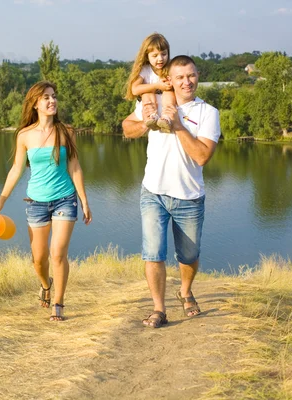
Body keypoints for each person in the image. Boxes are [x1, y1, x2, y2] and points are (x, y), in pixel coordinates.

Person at [122, 55, 221, 328]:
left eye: (190, 76)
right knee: (153, 252)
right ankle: (158, 309)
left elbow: (201, 156)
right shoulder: (153, 101)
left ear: (197, 76)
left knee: (188, 256)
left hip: (189, 196)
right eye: (180, 77)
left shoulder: (207, 113)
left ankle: (185, 291)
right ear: (170, 80)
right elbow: (126, 128)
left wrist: (177, 125)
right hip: (153, 192)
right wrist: (147, 123)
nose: (186, 82)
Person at [0, 81, 92, 322]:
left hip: (65, 200)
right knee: (38, 259)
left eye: (54, 96)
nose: (52, 101)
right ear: (35, 104)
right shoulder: (25, 135)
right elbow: (16, 169)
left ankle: (58, 302)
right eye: (46, 97)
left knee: (58, 253)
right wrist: (1, 202)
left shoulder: (66, 132)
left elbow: (75, 167)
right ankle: (46, 285)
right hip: (36, 202)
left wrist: (84, 201)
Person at [125, 32, 176, 133]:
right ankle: (152, 116)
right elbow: (135, 90)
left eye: (164, 54)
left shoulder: (170, 68)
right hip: (148, 105)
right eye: (155, 55)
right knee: (147, 92)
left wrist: (169, 84)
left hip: (166, 103)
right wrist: (157, 85)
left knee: (168, 91)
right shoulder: (145, 70)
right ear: (146, 56)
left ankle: (166, 117)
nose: (160, 59)